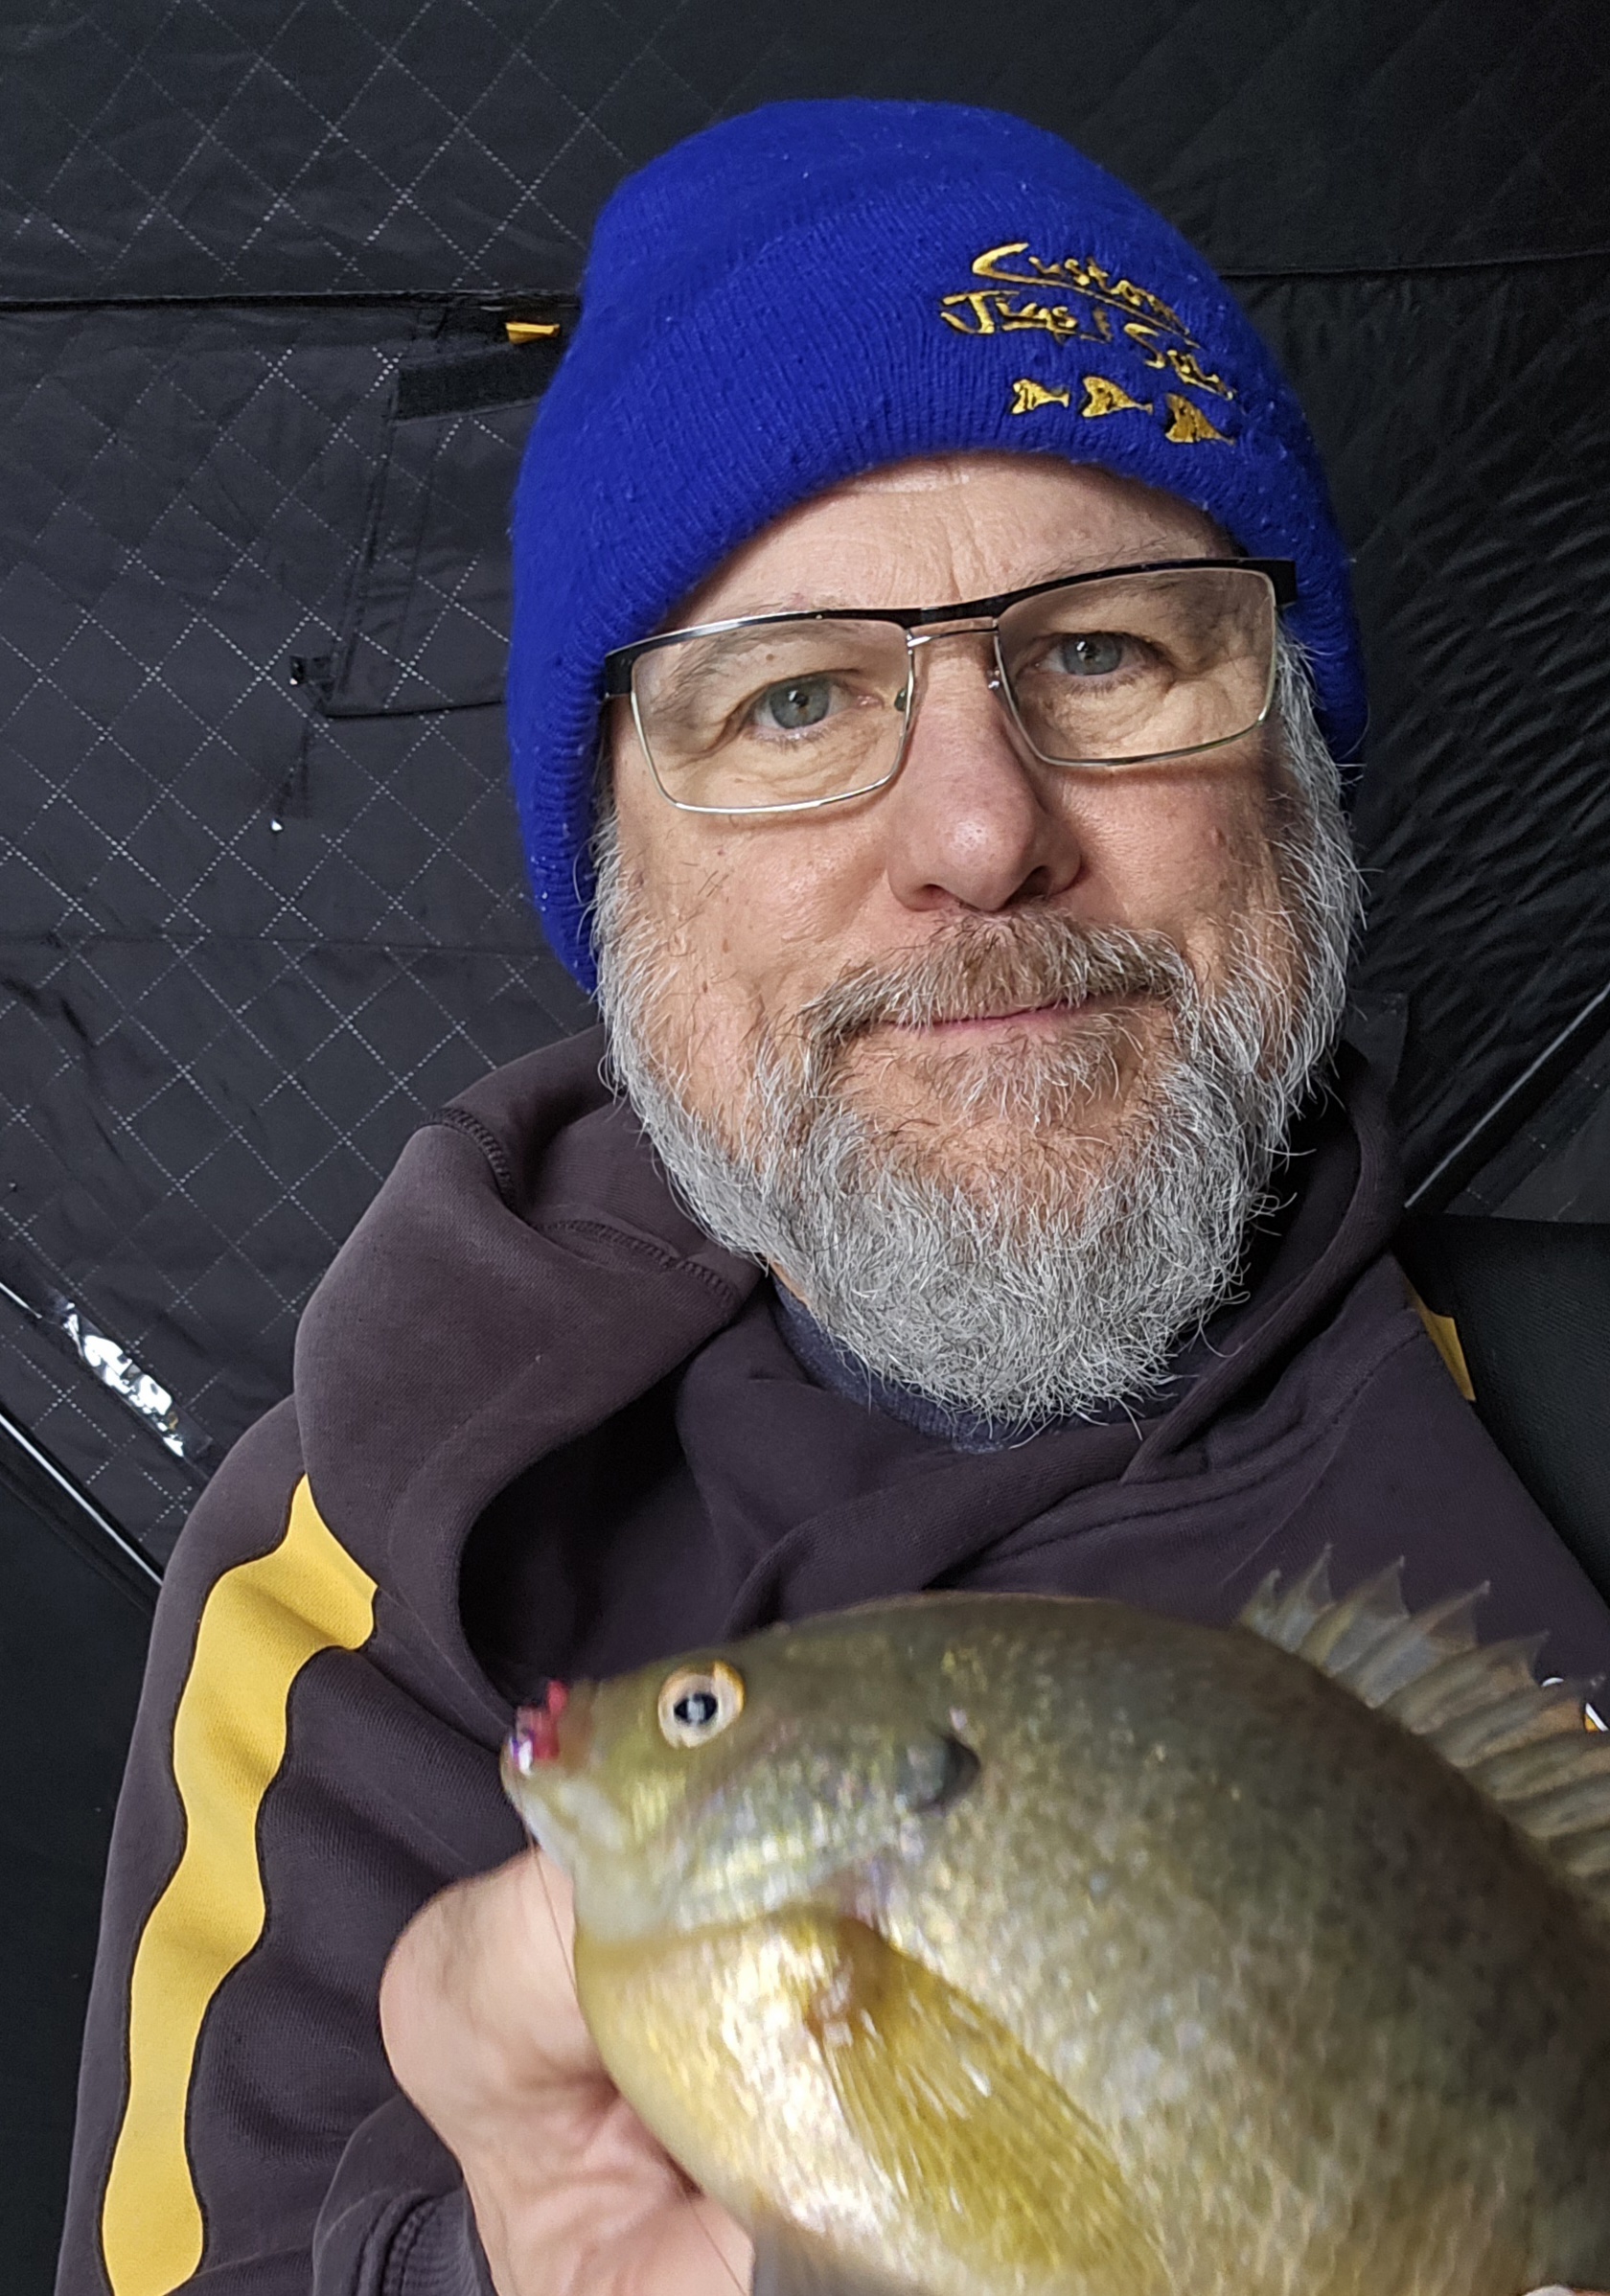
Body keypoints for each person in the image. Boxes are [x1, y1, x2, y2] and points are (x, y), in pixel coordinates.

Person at [56, 99, 1610, 2296]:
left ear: (1294, 773)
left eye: (1102, 655)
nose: (982, 829)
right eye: (792, 699)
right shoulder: (356, 1592)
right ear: (614, 879)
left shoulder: (1579, 1407)